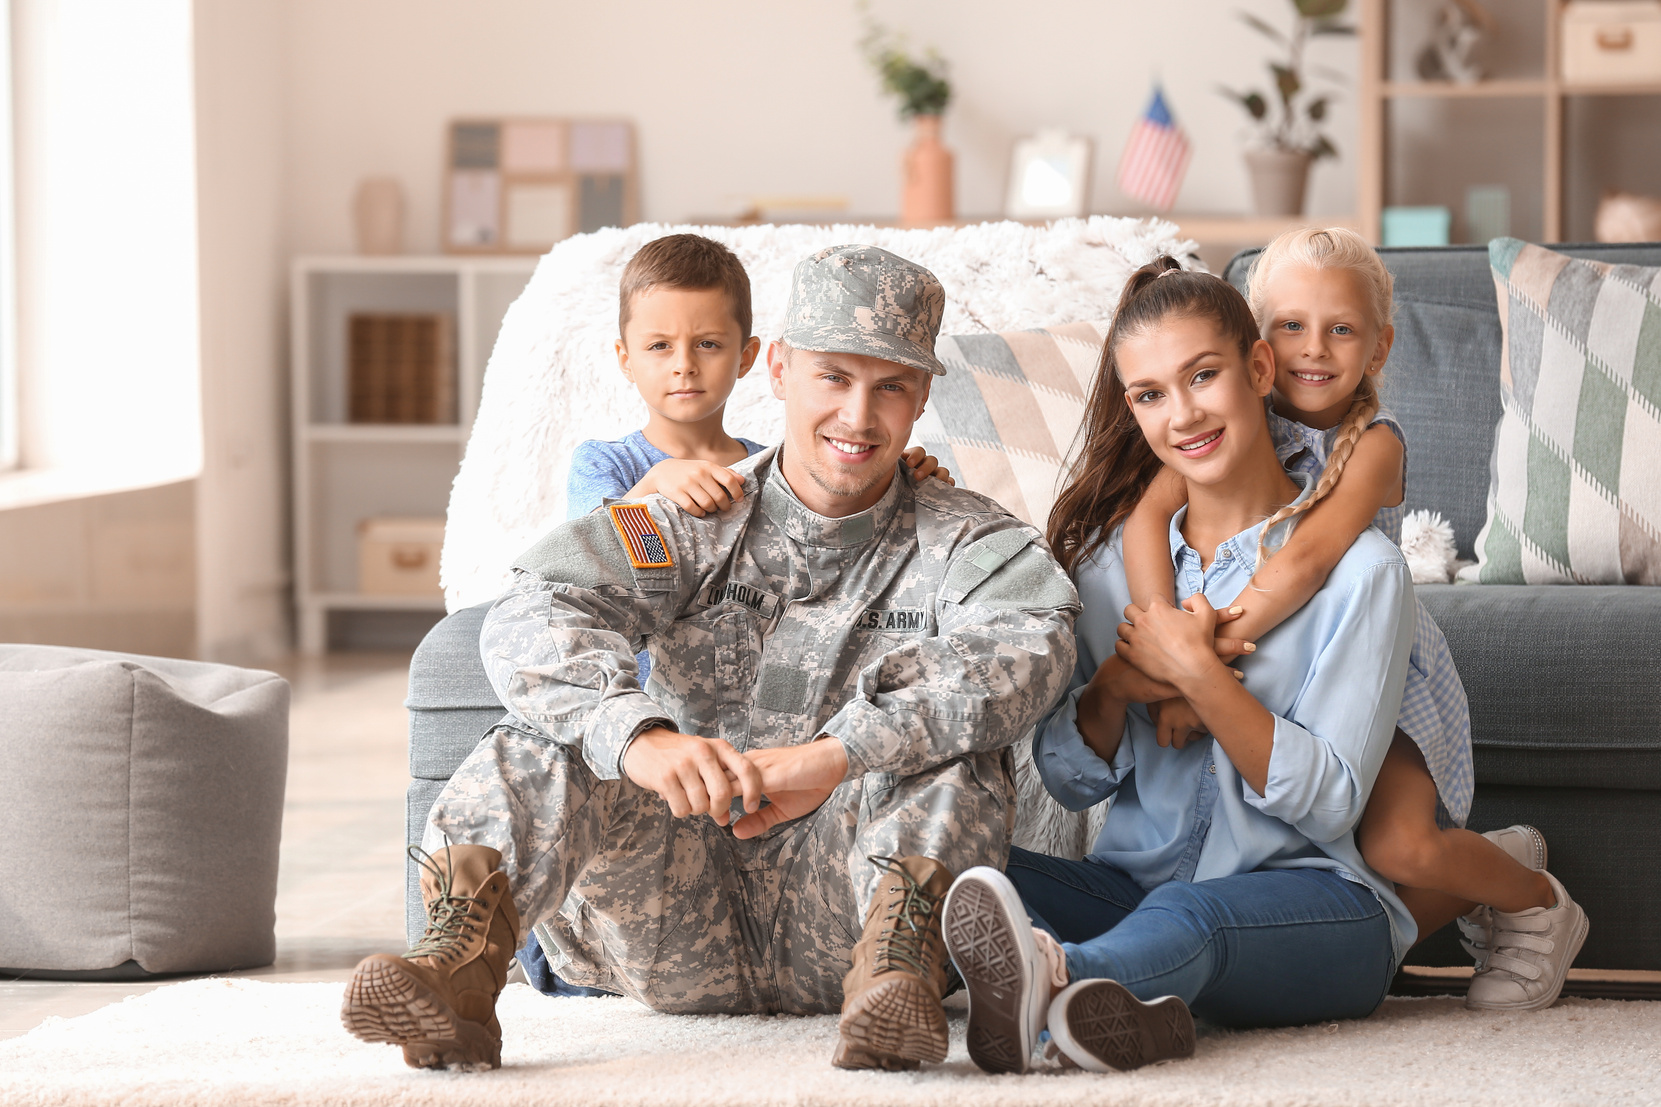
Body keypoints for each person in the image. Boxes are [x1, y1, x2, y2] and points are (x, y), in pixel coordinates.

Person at [340, 244, 1080, 1072]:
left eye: (890, 386)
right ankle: (454, 979)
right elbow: (530, 610)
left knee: (954, 750)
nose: (858, 417)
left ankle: (895, 983)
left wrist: (838, 755)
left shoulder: (968, 537)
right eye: (833, 377)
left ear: (921, 397)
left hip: (850, 915)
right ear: (782, 370)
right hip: (669, 902)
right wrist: (638, 737)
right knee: (542, 734)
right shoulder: (693, 511)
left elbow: (1032, 644)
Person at [937, 258, 1574, 1077]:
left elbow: (1330, 800)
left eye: (1202, 376)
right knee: (967, 863)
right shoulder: (1108, 573)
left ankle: (1059, 977)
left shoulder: (1362, 576)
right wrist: (1115, 687)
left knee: (1189, 913)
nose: (1182, 414)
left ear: (1258, 369)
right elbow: (1068, 782)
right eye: (1150, 394)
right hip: (1130, 885)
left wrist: (1198, 673)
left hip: (1321, 909)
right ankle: (1127, 1003)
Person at [1117, 228, 1583, 1010]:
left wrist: (1198, 660)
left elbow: (1306, 560)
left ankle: (1536, 899)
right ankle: (1462, 876)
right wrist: (1164, 648)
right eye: (1291, 325)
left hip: (1375, 663)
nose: (1314, 348)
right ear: (1255, 348)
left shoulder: (1372, 441)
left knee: (1395, 842)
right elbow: (1142, 526)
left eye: (1341, 329)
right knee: (1306, 859)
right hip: (1269, 651)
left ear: (1377, 346)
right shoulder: (1222, 423)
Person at [523, 234, 955, 998]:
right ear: (624, 356)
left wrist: (891, 467)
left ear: (754, 357)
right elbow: (586, 576)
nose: (684, 365)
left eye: (708, 344)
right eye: (659, 345)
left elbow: (820, 502)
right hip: (649, 738)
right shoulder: (612, 466)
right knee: (546, 743)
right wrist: (655, 491)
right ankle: (543, 946)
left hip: (763, 748)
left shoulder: (772, 462)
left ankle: (892, 960)